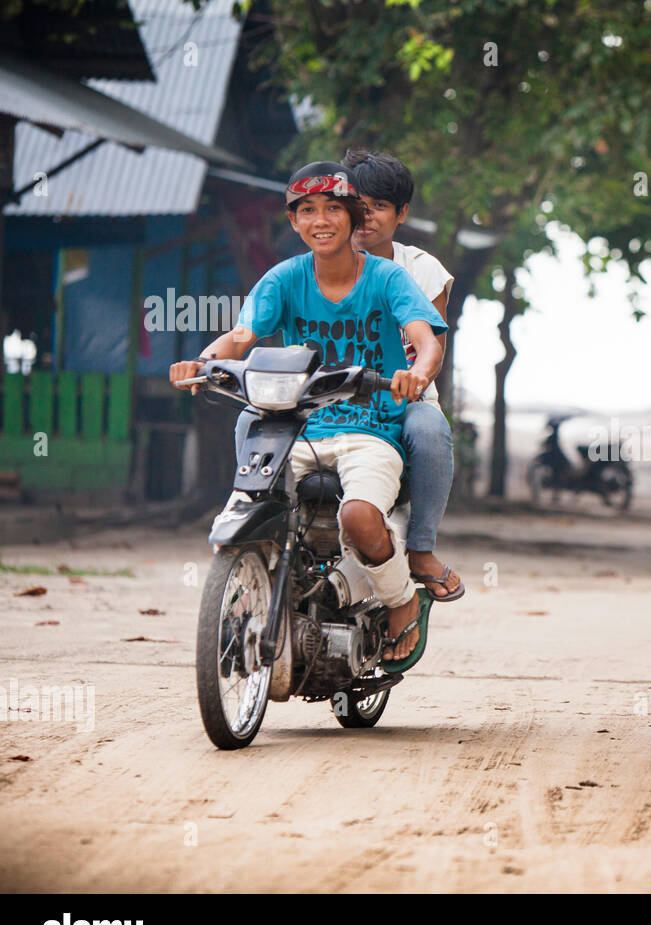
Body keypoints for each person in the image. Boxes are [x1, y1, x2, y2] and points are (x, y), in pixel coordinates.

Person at [169, 160, 448, 664]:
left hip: (370, 429)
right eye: (307, 211)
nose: (321, 220)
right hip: (296, 427)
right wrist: (204, 362)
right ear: (295, 222)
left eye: (332, 209)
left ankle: (401, 597)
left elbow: (426, 340)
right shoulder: (283, 278)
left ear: (352, 216)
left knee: (361, 516)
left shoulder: (388, 278)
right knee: (248, 498)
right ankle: (252, 590)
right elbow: (241, 337)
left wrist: (419, 374)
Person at [341, 147, 464, 602]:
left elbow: (432, 348)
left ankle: (421, 549)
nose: (367, 216)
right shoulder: (318, 263)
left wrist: (416, 378)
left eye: (380, 206)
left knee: (430, 428)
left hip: (401, 400)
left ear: (401, 213)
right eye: (358, 204)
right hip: (331, 401)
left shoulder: (420, 270)